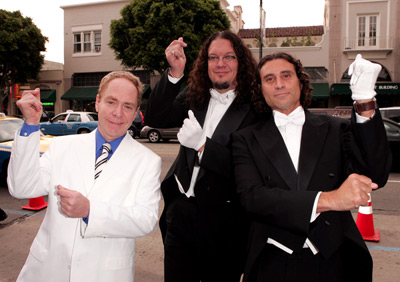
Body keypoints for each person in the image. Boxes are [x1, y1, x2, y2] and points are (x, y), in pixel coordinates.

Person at [231, 52, 391, 282]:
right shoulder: (245, 139)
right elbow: (252, 198)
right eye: (269, 79)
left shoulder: (336, 129)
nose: (279, 84)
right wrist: (331, 199)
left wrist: (365, 100)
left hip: (334, 261)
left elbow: (375, 175)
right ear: (260, 88)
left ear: (300, 80)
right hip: (272, 262)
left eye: (286, 75)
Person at [7, 71, 161, 282]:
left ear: (135, 111)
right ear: (97, 102)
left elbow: (145, 219)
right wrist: (30, 125)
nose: (118, 113)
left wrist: (90, 211)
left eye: (127, 106)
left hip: (104, 274)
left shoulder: (147, 161)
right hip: (47, 270)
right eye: (111, 102)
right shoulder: (62, 146)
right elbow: (21, 187)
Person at [145, 30, 258, 282]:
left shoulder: (256, 108)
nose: (220, 64)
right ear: (205, 63)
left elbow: (248, 168)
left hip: (225, 223)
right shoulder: (195, 96)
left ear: (240, 61)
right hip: (181, 215)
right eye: (213, 57)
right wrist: (174, 73)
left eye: (228, 57)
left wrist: (202, 146)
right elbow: (155, 117)